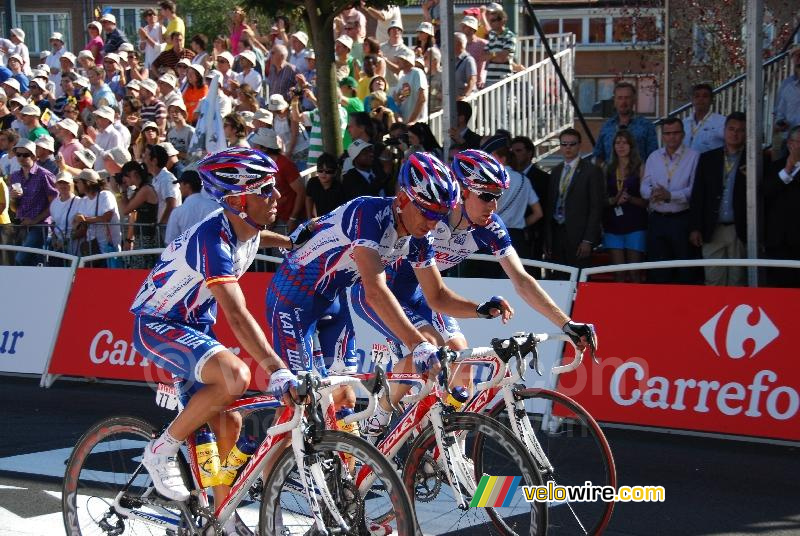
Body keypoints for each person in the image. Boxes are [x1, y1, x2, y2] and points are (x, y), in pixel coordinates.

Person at [349, 149, 597, 433]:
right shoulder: (431, 217)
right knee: (431, 344)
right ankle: (377, 418)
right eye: (487, 196)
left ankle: (439, 446)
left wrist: (566, 323)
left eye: (498, 196)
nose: (494, 205)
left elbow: (522, 279)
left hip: (422, 294)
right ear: (464, 191)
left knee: (462, 362)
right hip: (383, 293)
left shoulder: (489, 227)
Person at [131, 148, 297, 517]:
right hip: (158, 325)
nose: (278, 196)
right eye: (266, 191)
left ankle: (222, 517)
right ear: (239, 200)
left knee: (230, 422)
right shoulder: (212, 241)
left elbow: (256, 239)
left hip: (192, 326)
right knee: (234, 376)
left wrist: (287, 241)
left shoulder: (245, 225)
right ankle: (161, 450)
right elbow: (237, 315)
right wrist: (275, 368)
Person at [266, 152, 496, 418]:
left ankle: (351, 458)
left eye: (440, 215)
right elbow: (374, 290)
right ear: (402, 199)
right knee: (300, 402)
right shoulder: (369, 213)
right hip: (293, 300)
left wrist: (480, 309)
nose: (433, 224)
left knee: (343, 400)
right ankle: (266, 459)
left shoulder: (419, 235)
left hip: (333, 300)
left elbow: (437, 294)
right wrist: (418, 344)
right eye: (427, 213)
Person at [688, 111, 748, 287]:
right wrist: (695, 227)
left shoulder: (754, 158)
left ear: (746, 133)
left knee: (738, 281)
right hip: (712, 228)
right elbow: (698, 194)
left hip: (739, 229)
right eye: (731, 129)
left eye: (740, 130)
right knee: (713, 281)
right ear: (724, 130)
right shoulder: (708, 158)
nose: (735, 134)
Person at [641, 118, 700, 284]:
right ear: (663, 136)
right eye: (667, 133)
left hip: (681, 219)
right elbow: (643, 187)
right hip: (657, 219)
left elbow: (695, 191)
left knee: (684, 269)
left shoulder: (694, 156)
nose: (671, 137)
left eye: (675, 133)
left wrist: (670, 195)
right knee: (658, 269)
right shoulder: (654, 157)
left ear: (683, 134)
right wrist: (652, 193)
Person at [545, 128, 605, 271]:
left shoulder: (592, 170)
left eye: (572, 144)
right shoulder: (556, 171)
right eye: (564, 144)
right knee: (558, 279)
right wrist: (547, 239)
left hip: (579, 236)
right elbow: (549, 205)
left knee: (578, 279)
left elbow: (596, 207)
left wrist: (588, 240)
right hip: (557, 233)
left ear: (579, 145)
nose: (568, 148)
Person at [602, 129, 648, 282]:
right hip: (613, 225)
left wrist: (630, 199)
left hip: (635, 224)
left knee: (635, 273)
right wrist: (614, 200)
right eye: (617, 142)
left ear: (631, 146)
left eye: (625, 142)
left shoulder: (640, 167)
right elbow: (601, 199)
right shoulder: (607, 168)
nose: (621, 146)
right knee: (618, 273)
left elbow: (646, 201)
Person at [9, 139, 57, 265]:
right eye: (18, 154)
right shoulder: (15, 176)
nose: (21, 157)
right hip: (22, 225)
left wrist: (34, 220)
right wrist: (13, 198)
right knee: (32, 263)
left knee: (21, 259)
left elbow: (55, 204)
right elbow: (14, 208)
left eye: (25, 155)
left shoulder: (45, 175)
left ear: (34, 156)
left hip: (40, 227)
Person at [764, 125, 800, 287]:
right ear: (789, 144)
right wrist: (787, 170)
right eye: (797, 142)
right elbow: (766, 192)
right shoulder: (775, 167)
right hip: (779, 242)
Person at [593, 82, 658, 167]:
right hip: (610, 178)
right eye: (620, 98)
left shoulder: (646, 126)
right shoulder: (606, 126)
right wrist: (605, 169)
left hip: (639, 178)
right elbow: (597, 155)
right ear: (614, 101)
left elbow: (654, 157)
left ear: (634, 100)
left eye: (627, 98)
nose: (623, 102)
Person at [72, 169, 122, 265]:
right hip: (92, 251)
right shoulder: (83, 201)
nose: (76, 184)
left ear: (87, 183)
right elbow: (80, 223)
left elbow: (106, 218)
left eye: (78, 182)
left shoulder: (105, 195)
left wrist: (84, 220)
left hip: (109, 250)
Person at [164, 170, 219, 243]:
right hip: (211, 251)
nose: (179, 188)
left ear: (187, 185)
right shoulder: (215, 206)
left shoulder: (177, 212)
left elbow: (170, 241)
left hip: (188, 252)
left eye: (181, 185)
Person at [144, 143, 181, 227]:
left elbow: (172, 204)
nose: (143, 159)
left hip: (167, 229)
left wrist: (160, 225)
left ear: (154, 161)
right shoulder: (156, 178)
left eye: (146, 156)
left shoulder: (167, 179)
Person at [683, 83, 726, 154]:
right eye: (697, 96)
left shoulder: (722, 122)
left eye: (705, 96)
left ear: (711, 100)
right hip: (687, 163)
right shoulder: (684, 123)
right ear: (692, 100)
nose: (700, 99)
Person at [305, 152, 346, 218]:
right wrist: (309, 218)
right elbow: (309, 198)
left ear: (335, 172)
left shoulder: (340, 188)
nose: (323, 174)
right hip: (319, 221)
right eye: (320, 171)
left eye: (328, 171)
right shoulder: (312, 182)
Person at [393, 47, 428, 125]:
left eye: (400, 59)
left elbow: (422, 98)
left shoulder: (417, 73)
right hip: (405, 124)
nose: (397, 61)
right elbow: (400, 99)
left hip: (417, 124)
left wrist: (412, 121)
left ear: (406, 60)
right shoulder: (401, 76)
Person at [484, 8, 515, 87]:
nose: (490, 23)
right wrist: (497, 54)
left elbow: (502, 58)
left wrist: (491, 55)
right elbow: (484, 56)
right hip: (489, 79)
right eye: (490, 20)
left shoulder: (510, 36)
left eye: (493, 20)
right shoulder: (492, 36)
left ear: (503, 21)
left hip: (504, 79)